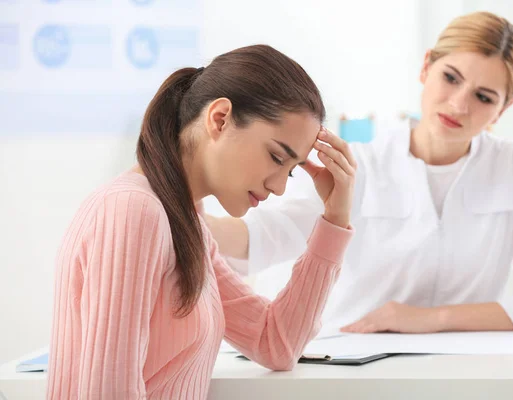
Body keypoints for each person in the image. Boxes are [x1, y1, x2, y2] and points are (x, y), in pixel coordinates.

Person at [207, 11, 513, 334]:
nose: (458, 104)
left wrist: (429, 319)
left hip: (467, 371)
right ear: (426, 67)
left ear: (503, 109)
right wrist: (178, 211)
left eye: (484, 97)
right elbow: (263, 238)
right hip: (351, 362)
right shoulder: (361, 162)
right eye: (451, 78)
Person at [46, 45, 357, 399]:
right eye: (275, 157)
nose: (279, 186)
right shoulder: (133, 211)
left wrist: (335, 217)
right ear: (220, 118)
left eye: (291, 171)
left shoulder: (184, 222)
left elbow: (275, 343)